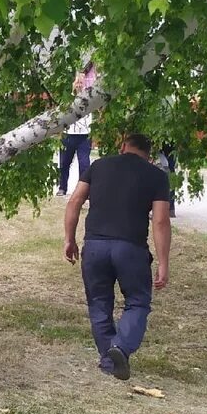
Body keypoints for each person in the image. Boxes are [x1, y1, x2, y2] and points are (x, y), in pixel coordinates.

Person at [62, 133, 171, 380]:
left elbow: (75, 201)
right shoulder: (156, 176)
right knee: (138, 302)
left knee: (99, 303)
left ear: (123, 146)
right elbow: (161, 220)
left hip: (95, 246)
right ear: (148, 153)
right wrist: (163, 263)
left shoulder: (99, 166)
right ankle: (119, 348)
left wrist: (69, 238)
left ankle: (110, 362)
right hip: (131, 249)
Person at [57, 63, 95, 196]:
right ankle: (62, 188)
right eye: (77, 80)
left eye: (81, 80)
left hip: (84, 135)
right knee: (64, 163)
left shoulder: (89, 95)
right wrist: (73, 91)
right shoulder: (68, 97)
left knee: (84, 164)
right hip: (68, 134)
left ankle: (83, 191)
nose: (79, 83)